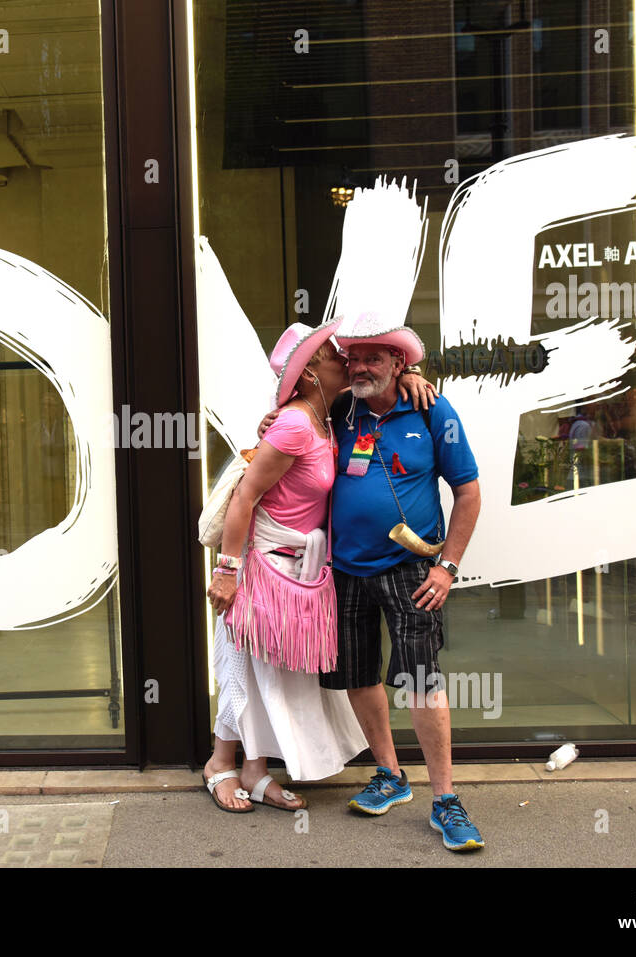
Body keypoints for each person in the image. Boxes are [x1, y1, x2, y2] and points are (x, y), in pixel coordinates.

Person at [203, 319, 435, 813]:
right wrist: (226, 569)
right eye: (334, 355)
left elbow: (385, 382)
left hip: (298, 570)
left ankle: (254, 769)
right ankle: (219, 765)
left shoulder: (329, 416)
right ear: (310, 371)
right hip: (263, 564)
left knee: (272, 675)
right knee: (243, 664)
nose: (344, 360)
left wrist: (410, 372)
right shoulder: (292, 422)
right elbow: (245, 496)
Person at [320, 310, 485, 851]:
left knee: (421, 679)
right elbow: (294, 407)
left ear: (399, 362)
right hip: (345, 569)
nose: (361, 366)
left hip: (413, 569)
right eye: (355, 358)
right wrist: (269, 422)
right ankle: (390, 775)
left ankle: (445, 800)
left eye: (375, 357)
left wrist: (448, 566)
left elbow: (468, 493)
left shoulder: (431, 409)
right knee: (359, 675)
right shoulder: (340, 409)